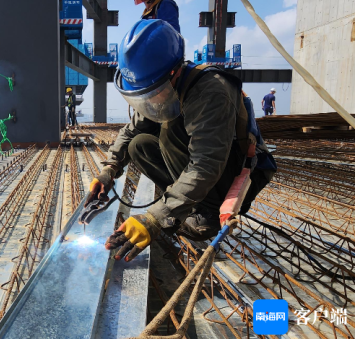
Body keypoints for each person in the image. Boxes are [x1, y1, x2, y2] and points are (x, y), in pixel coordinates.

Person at [86, 19, 277, 262]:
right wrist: (109, 169)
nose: (150, 100)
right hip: (210, 168)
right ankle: (188, 203)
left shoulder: (210, 93)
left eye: (152, 92)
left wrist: (156, 217)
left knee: (169, 130)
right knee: (139, 146)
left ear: (173, 73)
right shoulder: (161, 88)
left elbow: (206, 164)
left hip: (236, 171)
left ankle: (206, 212)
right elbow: (132, 130)